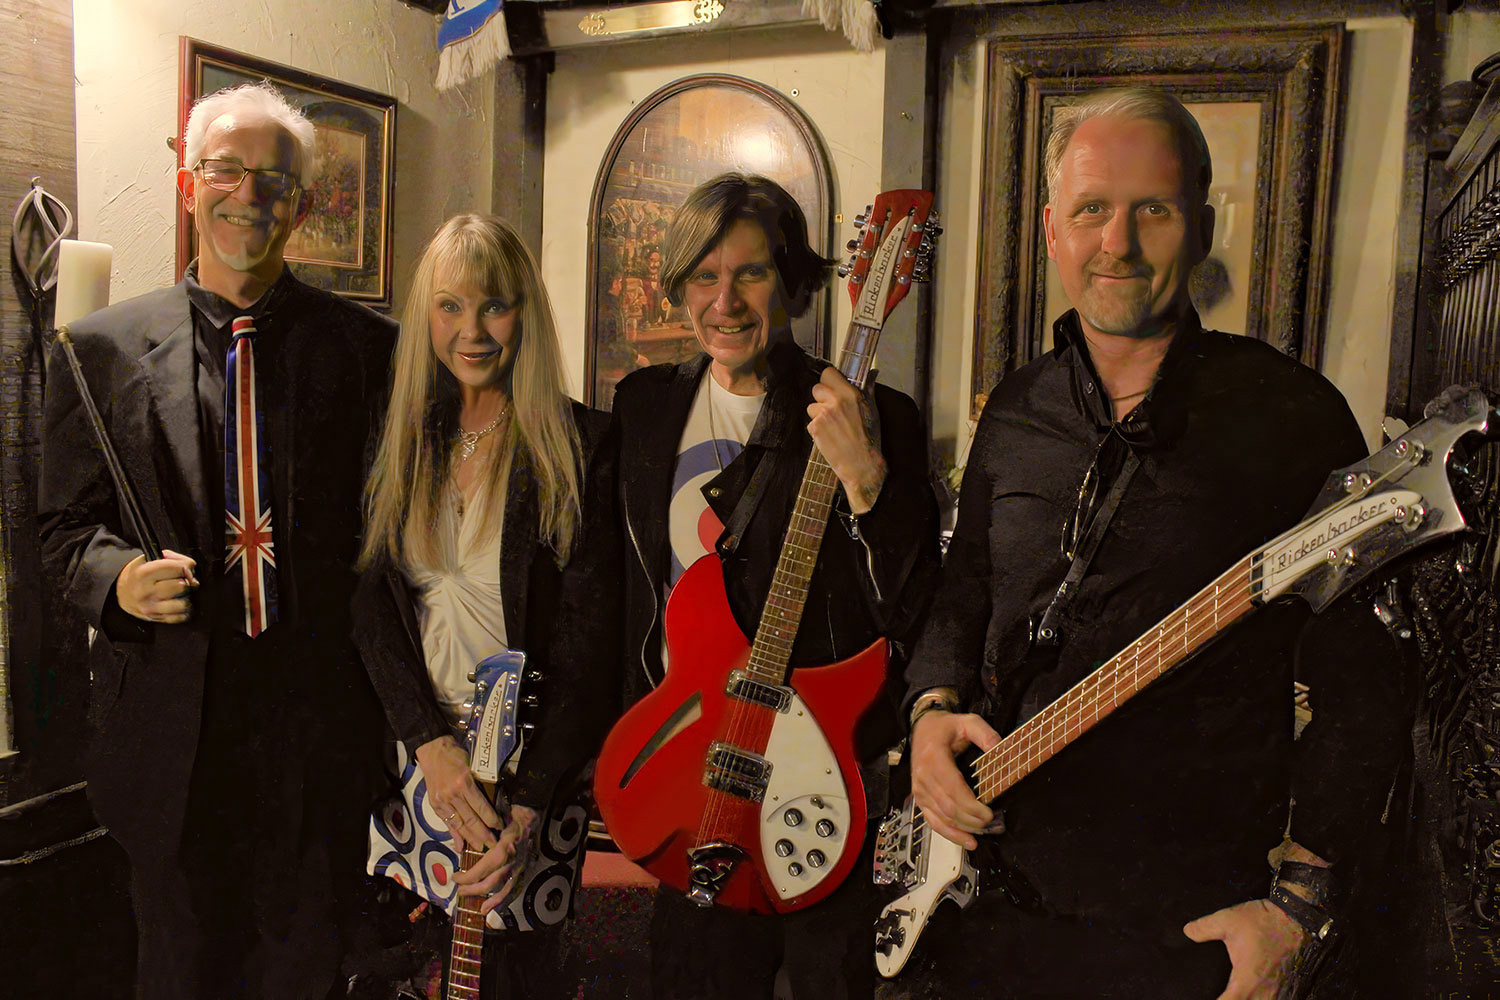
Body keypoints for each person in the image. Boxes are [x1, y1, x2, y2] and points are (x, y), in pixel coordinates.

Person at [905, 87, 1411, 998]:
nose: (1119, 243)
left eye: (1154, 210)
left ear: (1204, 227)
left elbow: (1365, 683)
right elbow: (963, 591)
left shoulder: (1294, 417)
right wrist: (930, 713)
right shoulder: (1016, 408)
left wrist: (1300, 904)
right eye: (1092, 210)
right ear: (1053, 231)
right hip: (983, 907)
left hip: (1180, 930)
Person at [38, 82, 397, 998]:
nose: (249, 196)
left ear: (304, 204)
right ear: (189, 183)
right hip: (170, 745)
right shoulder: (99, 352)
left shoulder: (369, 352)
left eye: (274, 180)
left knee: (304, 975)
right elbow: (57, 534)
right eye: (226, 171)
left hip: (314, 745)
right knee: (179, 972)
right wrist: (116, 581)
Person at [596, 173, 941, 999]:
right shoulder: (644, 405)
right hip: (697, 771)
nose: (726, 301)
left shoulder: (868, 411)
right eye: (704, 277)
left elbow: (920, 606)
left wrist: (870, 485)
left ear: (791, 281)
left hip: (824, 773)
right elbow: (615, 588)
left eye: (750, 273)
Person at [353, 213, 610, 998]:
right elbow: (368, 607)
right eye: (449, 306)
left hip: (531, 771)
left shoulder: (582, 444)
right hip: (417, 761)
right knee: (410, 972)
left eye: (493, 306)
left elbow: (589, 646)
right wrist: (428, 745)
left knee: (514, 976)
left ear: (525, 313)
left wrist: (530, 805)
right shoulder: (398, 439)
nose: (472, 330)